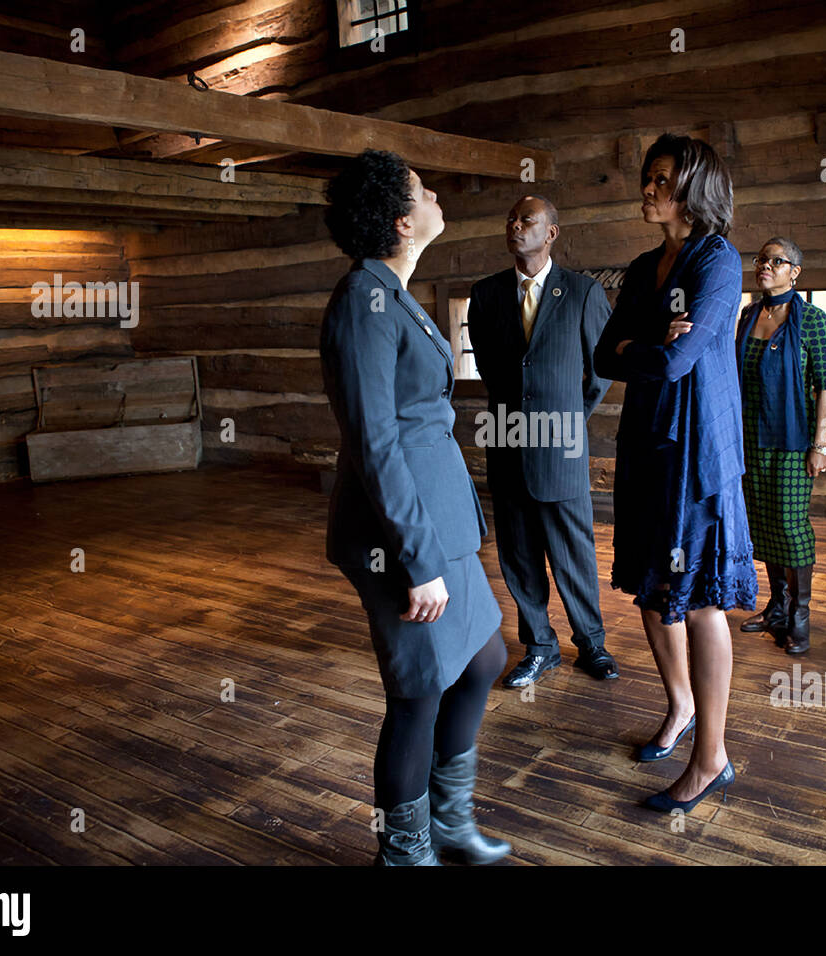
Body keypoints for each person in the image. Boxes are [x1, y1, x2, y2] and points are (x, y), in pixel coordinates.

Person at [320, 150, 510, 864]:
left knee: (483, 655)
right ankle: (404, 854)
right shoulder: (363, 301)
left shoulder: (392, 291)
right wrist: (418, 559)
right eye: (426, 191)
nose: (438, 196)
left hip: (439, 517)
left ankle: (450, 825)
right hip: (397, 533)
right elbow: (373, 442)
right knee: (420, 692)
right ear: (404, 220)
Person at [594, 133, 756, 812]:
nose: (649, 189)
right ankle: (681, 706)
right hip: (646, 447)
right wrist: (646, 341)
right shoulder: (639, 268)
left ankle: (711, 757)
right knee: (651, 591)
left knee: (700, 599)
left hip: (696, 450)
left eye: (662, 179)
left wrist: (648, 345)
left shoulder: (718, 262)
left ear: (693, 187)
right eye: (647, 178)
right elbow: (606, 355)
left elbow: (676, 364)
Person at [467, 195, 617, 688]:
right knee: (518, 554)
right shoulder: (485, 295)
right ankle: (539, 647)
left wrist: (565, 420)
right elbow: (490, 366)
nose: (516, 225)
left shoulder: (582, 292)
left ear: (551, 233)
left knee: (574, 552)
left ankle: (591, 645)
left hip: (562, 449)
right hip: (508, 445)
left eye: (527, 220)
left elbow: (599, 373)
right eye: (511, 218)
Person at [736, 237, 826, 654]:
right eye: (762, 259)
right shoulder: (747, 317)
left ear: (795, 272)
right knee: (761, 524)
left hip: (793, 443)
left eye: (777, 261)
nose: (766, 266)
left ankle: (800, 615)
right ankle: (776, 605)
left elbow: (825, 388)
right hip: (747, 438)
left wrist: (821, 444)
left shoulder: (813, 321)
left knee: (791, 527)